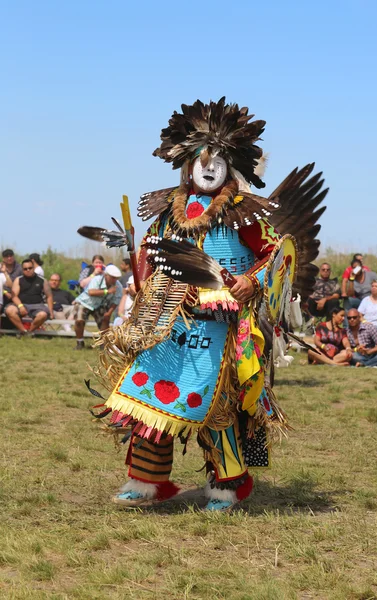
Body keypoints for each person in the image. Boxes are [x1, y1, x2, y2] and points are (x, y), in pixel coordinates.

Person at [87, 97, 327, 511]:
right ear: (188, 163)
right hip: (169, 321)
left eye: (219, 158)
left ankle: (227, 485)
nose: (210, 166)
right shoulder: (166, 209)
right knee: (149, 398)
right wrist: (143, 278)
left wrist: (252, 283)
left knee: (218, 406)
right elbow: (150, 253)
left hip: (223, 327)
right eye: (202, 157)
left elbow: (277, 256)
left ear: (232, 165)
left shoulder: (246, 213)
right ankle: (145, 481)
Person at [73, 264, 123, 349]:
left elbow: (116, 301)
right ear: (106, 275)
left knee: (105, 321)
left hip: (100, 305)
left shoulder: (119, 287)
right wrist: (107, 291)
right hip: (85, 302)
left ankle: (103, 344)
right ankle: (80, 342)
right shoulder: (97, 279)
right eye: (112, 277)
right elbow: (91, 292)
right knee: (79, 320)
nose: (115, 280)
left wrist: (109, 313)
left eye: (116, 278)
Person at [5, 259, 54, 335]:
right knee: (9, 310)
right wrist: (20, 306)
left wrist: (51, 312)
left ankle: (30, 331)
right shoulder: (18, 280)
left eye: (30, 268)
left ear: (33, 268)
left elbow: (49, 296)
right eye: (25, 269)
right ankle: (23, 331)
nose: (28, 270)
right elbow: (14, 296)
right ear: (22, 269)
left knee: (43, 315)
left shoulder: (42, 280)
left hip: (37, 305)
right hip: (21, 304)